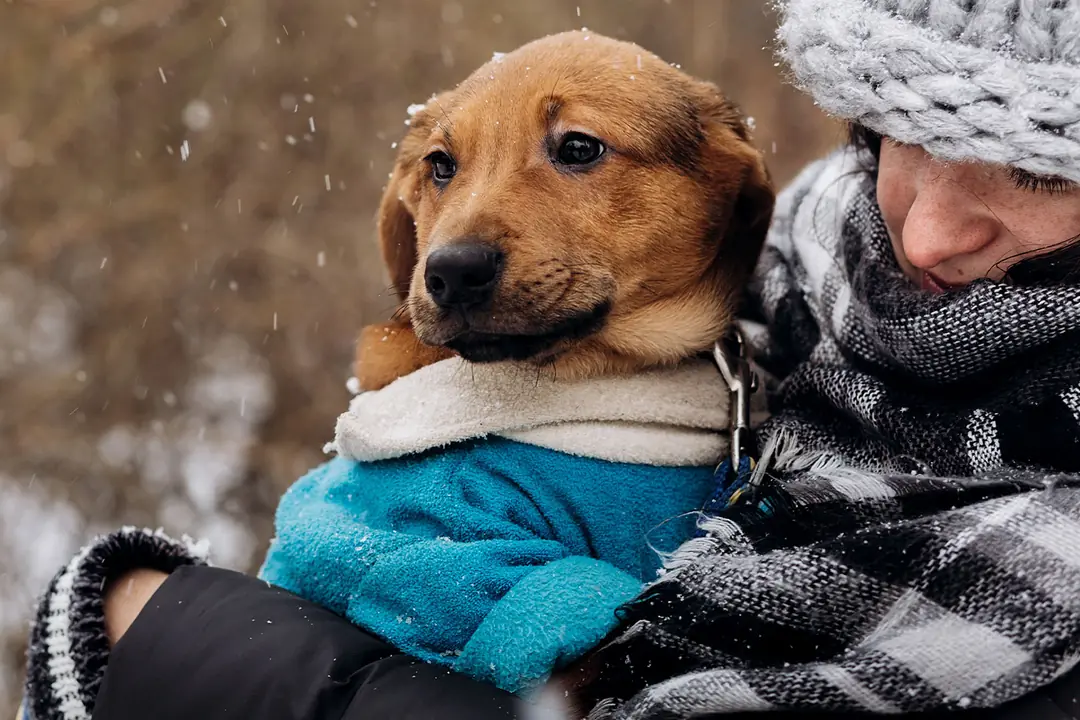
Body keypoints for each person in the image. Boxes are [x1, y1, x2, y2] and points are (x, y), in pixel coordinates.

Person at [18, 0, 1080, 718]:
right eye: (911, 134)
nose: (929, 236)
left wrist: (163, 635)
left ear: (724, 189)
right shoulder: (788, 306)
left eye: (1038, 171)